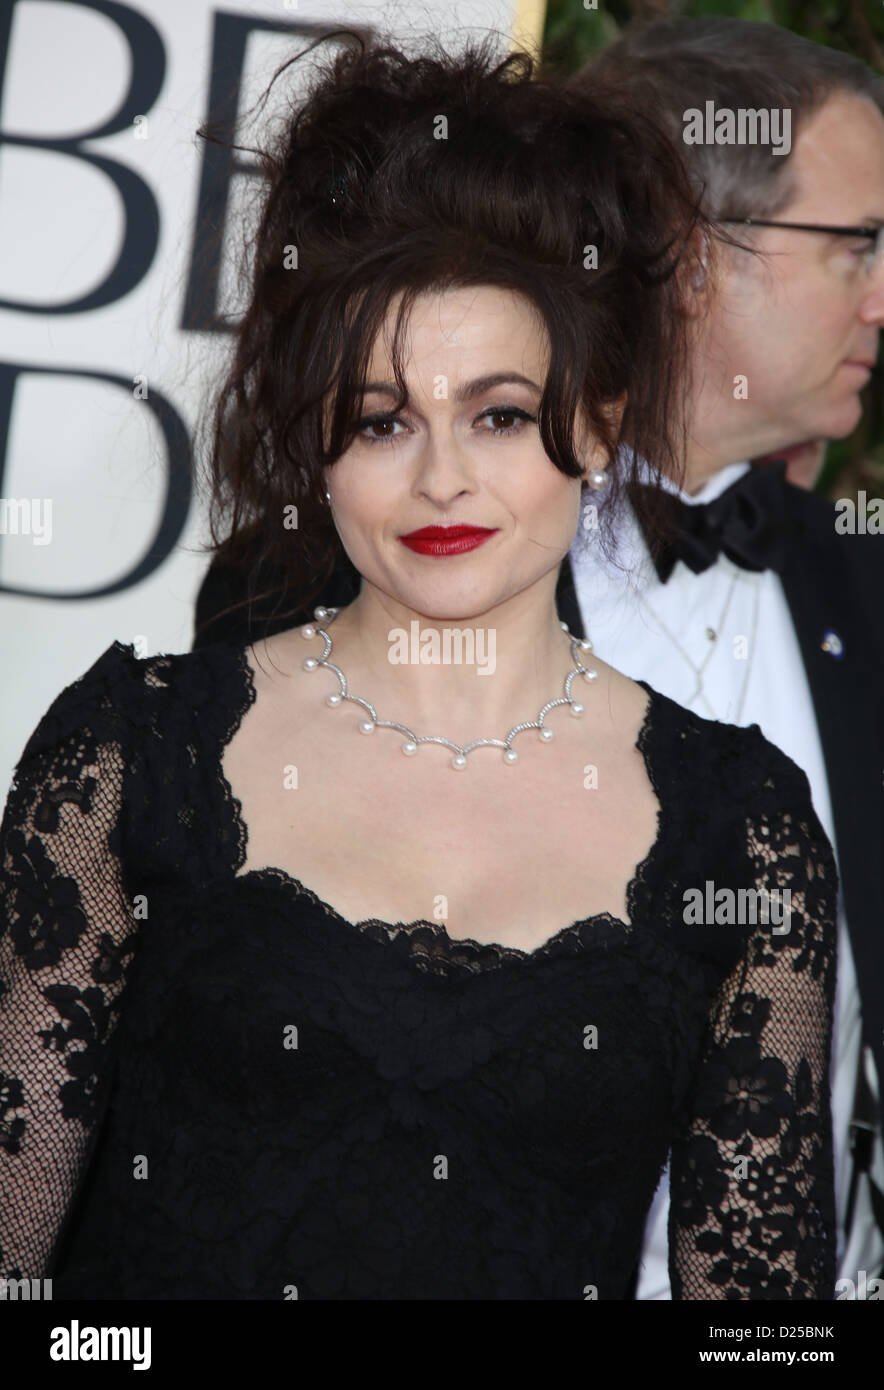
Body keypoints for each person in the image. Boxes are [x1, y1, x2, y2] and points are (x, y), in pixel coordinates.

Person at [0, 34, 838, 1300]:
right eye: (383, 419)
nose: (440, 477)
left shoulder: (745, 833)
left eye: (499, 414)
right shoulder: (132, 759)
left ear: (600, 418)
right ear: (314, 442)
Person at [563, 17, 884, 1300]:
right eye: (855, 244)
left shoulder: (859, 581)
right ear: (694, 255)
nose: (881, 295)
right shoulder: (425, 572)